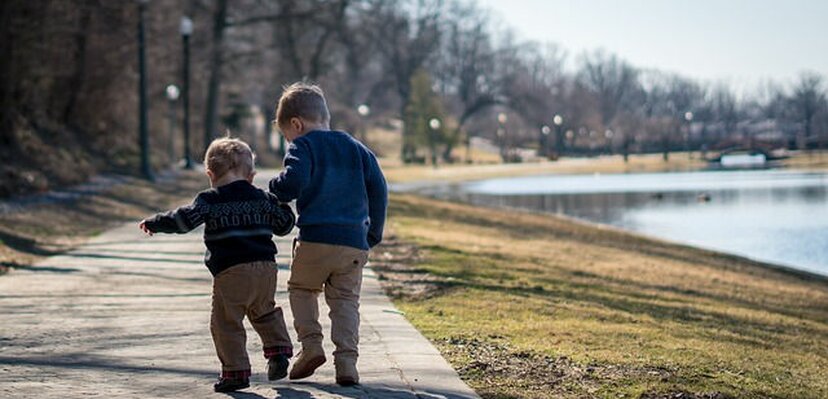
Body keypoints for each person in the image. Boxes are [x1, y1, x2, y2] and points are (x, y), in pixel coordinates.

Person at [139, 137, 296, 393]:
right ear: (251, 175)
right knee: (264, 311)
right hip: (266, 269)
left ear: (210, 174)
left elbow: (183, 221)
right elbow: (284, 225)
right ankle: (278, 352)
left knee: (226, 322)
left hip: (231, 271)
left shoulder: (209, 200)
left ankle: (235, 372)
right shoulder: (262, 198)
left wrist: (156, 223)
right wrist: (283, 206)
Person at [269, 82, 387, 386]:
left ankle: (310, 346)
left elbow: (292, 183)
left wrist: (275, 188)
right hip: (353, 242)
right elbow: (379, 189)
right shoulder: (357, 148)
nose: (289, 141)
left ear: (297, 124)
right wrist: (372, 232)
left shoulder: (303, 146)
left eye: (286, 136)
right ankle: (347, 363)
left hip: (315, 238)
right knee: (346, 301)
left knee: (302, 289)